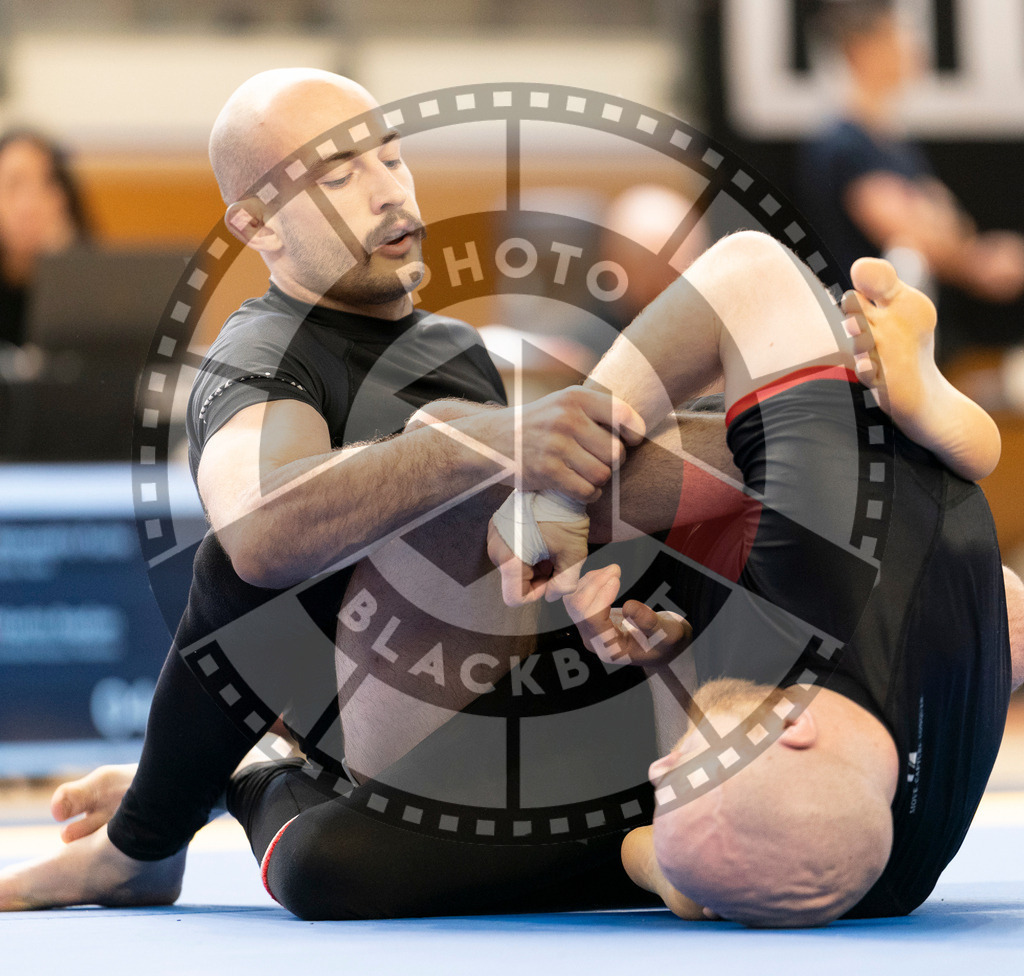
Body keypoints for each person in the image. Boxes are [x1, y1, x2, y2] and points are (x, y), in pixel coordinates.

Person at [0, 67, 645, 912]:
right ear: (257, 223)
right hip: (380, 746)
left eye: (392, 159)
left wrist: (586, 593)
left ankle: (208, 779)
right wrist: (470, 443)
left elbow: (509, 557)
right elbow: (254, 539)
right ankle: (155, 831)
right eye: (338, 176)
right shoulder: (258, 355)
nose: (388, 193)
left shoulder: (456, 350)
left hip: (502, 723)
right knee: (320, 868)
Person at [493, 243, 1022, 926]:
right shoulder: (824, 555)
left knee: (1007, 614)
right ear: (794, 725)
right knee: (488, 487)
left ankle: (955, 435)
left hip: (945, 614)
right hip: (847, 514)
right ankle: (940, 415)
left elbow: (655, 850)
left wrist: (665, 662)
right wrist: (551, 497)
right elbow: (750, 269)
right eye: (685, 772)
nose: (658, 772)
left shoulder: (857, 877)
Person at [798, 0, 1024, 357]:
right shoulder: (843, 144)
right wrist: (977, 262)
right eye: (897, 38)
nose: (911, 49)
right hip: (868, 346)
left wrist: (963, 246)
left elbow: (950, 223)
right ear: (861, 50)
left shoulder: (894, 141)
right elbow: (910, 234)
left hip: (911, 340)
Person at [0, 128, 91, 349]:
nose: (28, 206)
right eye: (13, 185)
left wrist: (63, 264)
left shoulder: (95, 284)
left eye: (45, 185)